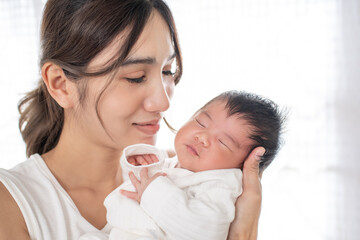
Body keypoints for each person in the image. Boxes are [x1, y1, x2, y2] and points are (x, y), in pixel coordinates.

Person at [0, 0, 264, 239]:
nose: (163, 102)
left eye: (167, 71)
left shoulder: (192, 173)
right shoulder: (12, 205)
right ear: (61, 85)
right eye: (135, 77)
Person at [80, 90, 284, 240]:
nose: (202, 137)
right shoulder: (175, 163)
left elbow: (206, 230)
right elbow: (138, 188)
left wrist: (153, 191)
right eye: (201, 122)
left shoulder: (222, 184)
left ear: (242, 167)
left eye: (223, 142)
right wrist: (140, 165)